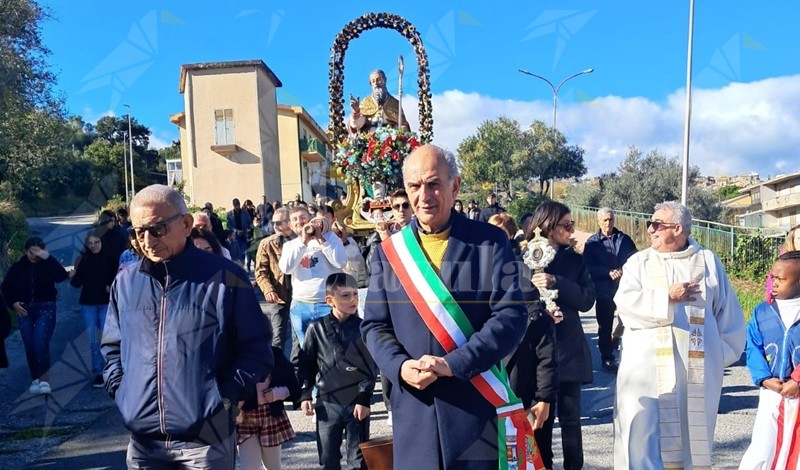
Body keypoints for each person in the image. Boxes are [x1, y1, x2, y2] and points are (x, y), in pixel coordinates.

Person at [361, 144, 529, 469]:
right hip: (415, 412)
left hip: (474, 406)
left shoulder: (490, 241)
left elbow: (511, 316)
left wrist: (455, 364)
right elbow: (374, 326)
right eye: (414, 186)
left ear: (455, 186)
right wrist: (399, 367)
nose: (424, 196)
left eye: (434, 184)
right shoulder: (389, 253)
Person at [101, 184, 273, 469]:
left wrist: (226, 400)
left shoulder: (227, 278)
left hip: (206, 441)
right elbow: (112, 347)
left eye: (157, 229)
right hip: (144, 443)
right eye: (138, 232)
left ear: (185, 224)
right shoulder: (126, 283)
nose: (147, 240)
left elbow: (257, 349)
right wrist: (123, 393)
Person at [613, 201, 746, 469]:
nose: (650, 230)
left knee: (691, 439)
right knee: (642, 437)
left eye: (656, 224)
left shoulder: (707, 261)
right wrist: (666, 297)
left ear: (677, 228)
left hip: (694, 373)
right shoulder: (639, 262)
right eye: (650, 224)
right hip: (645, 373)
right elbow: (624, 304)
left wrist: (716, 356)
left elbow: (728, 313)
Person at [527, 201, 596, 469]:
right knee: (539, 422)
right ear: (549, 226)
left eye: (572, 225)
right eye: (567, 225)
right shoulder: (524, 257)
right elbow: (513, 302)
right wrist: (538, 311)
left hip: (567, 349)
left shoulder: (576, 260)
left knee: (571, 422)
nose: (572, 231)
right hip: (536, 353)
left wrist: (558, 282)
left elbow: (587, 300)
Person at [299, 273, 376, 470]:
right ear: (329, 301)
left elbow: (370, 367)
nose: (353, 300)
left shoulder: (363, 328)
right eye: (345, 295)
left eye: (355, 294)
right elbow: (307, 363)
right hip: (327, 402)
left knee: (358, 460)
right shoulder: (316, 328)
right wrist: (305, 394)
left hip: (356, 402)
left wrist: (364, 398)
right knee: (328, 458)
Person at [740, 251, 800, 469]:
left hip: (797, 390)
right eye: (772, 277)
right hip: (772, 391)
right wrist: (764, 378)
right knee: (763, 448)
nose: (773, 283)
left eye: (781, 279)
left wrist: (797, 380)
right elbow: (753, 346)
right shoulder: (762, 311)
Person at [1, 236, 69, 395]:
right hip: (24, 310)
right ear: (26, 251)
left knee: (40, 343)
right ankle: (36, 379)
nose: (34, 255)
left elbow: (61, 276)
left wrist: (49, 258)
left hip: (46, 308)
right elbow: (5, 288)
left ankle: (44, 380)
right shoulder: (18, 267)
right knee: (30, 345)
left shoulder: (47, 265)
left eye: (38, 252)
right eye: (32, 252)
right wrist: (13, 303)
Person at [278, 207, 346, 347]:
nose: (300, 221)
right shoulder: (290, 245)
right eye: (295, 219)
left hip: (327, 304)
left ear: (310, 220)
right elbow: (286, 268)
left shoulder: (329, 238)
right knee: (306, 348)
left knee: (331, 347)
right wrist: (303, 241)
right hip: (300, 305)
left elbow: (340, 262)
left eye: (303, 218)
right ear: (290, 225)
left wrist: (321, 239)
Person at [582, 207, 638, 373]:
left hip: (625, 290)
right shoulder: (592, 243)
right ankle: (607, 359)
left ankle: (630, 356)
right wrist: (607, 272)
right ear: (599, 222)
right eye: (605, 220)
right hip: (604, 291)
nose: (608, 223)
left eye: (611, 219)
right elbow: (587, 268)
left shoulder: (624, 239)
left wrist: (622, 270)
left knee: (631, 323)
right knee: (604, 327)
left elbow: (636, 261)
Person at [236, 346, 300, 470]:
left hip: (270, 415)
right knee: (250, 466)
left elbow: (294, 388)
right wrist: (234, 410)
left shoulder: (276, 355)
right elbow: (226, 388)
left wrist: (278, 393)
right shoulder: (237, 355)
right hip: (245, 416)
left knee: (273, 465)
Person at [70, 229, 117, 388]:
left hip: (105, 302)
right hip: (88, 304)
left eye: (96, 242)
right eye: (90, 243)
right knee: (93, 339)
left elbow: (118, 276)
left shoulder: (110, 258)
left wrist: (111, 284)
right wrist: (73, 276)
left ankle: (111, 370)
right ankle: (98, 372)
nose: (93, 245)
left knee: (107, 338)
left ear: (102, 242)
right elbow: (77, 283)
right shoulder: (83, 260)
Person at [255, 207, 296, 356]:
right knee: (278, 336)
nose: (276, 226)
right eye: (274, 223)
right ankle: (277, 365)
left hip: (299, 294)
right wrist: (268, 290)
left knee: (299, 336)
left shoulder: (300, 240)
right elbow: (260, 271)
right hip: (278, 294)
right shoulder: (266, 243)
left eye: (280, 222)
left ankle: (298, 366)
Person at [346, 69, 410, 134]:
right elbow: (357, 126)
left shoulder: (395, 103)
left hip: (391, 137)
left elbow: (403, 125)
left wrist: (401, 131)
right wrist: (356, 112)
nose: (376, 83)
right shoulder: (365, 102)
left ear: (385, 80)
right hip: (369, 137)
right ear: (371, 84)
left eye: (378, 80)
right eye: (373, 81)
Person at [765, 223, 800, 302]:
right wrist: (770, 296)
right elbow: (772, 282)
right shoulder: (783, 262)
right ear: (792, 241)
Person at [227, 198, 253, 269]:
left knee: (245, 251)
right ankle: (238, 267)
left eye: (238, 205)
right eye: (236, 205)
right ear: (233, 205)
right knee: (236, 252)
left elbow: (249, 222)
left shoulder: (245, 212)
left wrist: (249, 229)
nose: (237, 206)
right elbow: (229, 225)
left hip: (244, 235)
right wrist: (236, 231)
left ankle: (245, 267)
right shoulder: (229, 214)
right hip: (235, 236)